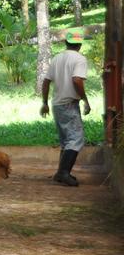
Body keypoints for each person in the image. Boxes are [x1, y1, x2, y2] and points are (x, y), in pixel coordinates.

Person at [40, 29, 91, 186]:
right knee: (76, 139)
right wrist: (85, 99)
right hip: (69, 103)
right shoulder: (80, 59)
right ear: (80, 44)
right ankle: (64, 173)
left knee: (66, 140)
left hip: (57, 104)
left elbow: (46, 81)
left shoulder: (57, 58)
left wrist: (45, 103)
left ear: (66, 43)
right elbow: (77, 80)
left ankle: (60, 173)